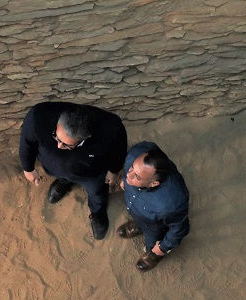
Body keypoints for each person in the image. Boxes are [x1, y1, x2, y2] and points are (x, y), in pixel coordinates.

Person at [19, 101, 127, 239]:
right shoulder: (38, 116)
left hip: (91, 174)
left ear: (84, 139)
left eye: (66, 145)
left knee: (97, 194)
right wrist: (28, 168)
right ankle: (64, 182)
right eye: (56, 137)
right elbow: (26, 141)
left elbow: (119, 150)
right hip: (55, 168)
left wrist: (114, 170)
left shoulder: (111, 128)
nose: (58, 146)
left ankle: (97, 213)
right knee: (62, 174)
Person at [118, 141, 190, 271]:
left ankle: (152, 254)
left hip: (154, 226)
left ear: (153, 184)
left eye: (137, 177)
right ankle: (139, 225)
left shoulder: (172, 204)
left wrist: (162, 248)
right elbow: (129, 170)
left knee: (152, 241)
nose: (129, 175)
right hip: (139, 212)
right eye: (132, 168)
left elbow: (180, 228)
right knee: (141, 217)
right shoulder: (137, 152)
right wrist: (125, 180)